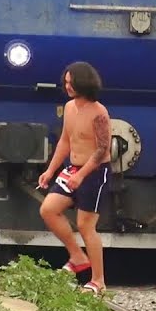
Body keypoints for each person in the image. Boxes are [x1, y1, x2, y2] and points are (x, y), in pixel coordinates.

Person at [37, 61, 111, 295]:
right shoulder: (69, 107)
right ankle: (77, 256)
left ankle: (98, 281)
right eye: (66, 82)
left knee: (85, 225)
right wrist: (50, 170)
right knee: (48, 209)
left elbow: (101, 150)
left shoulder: (99, 113)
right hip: (72, 168)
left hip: (94, 171)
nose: (67, 86)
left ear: (84, 83)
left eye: (72, 82)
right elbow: (65, 141)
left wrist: (82, 176)